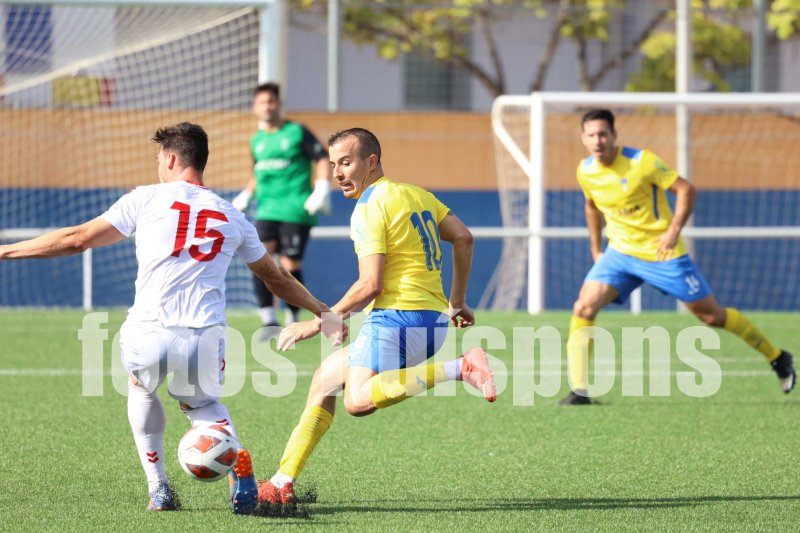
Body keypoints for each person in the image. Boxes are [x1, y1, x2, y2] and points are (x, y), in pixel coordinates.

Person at [0, 123, 340, 513]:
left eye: (159, 158)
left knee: (141, 388)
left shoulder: (145, 198)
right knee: (203, 405)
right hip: (205, 336)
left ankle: (159, 489)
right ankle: (236, 465)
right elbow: (275, 277)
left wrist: (6, 251)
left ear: (172, 158)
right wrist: (324, 311)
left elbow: (77, 239)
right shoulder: (231, 214)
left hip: (149, 330)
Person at [255, 128, 496, 505]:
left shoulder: (369, 206)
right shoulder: (416, 194)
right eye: (333, 165)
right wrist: (457, 301)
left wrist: (318, 321)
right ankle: (281, 482)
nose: (337, 173)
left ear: (371, 162)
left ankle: (461, 367)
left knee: (357, 401)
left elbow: (370, 284)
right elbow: (463, 238)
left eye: (346, 162)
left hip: (397, 321)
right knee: (325, 380)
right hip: (432, 324)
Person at [561, 108, 795, 405]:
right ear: (583, 138)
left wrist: (673, 231)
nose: (598, 141)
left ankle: (777, 356)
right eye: (592, 135)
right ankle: (579, 391)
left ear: (614, 135)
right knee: (583, 307)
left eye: (603, 134)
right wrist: (596, 248)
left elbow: (686, 190)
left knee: (711, 316)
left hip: (662, 254)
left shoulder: (642, 162)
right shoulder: (585, 170)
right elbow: (591, 207)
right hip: (620, 253)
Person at [232, 82, 333, 333]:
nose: (267, 106)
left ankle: (293, 314)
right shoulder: (256, 140)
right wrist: (247, 193)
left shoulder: (297, 132)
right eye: (262, 102)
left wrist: (322, 187)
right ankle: (268, 318)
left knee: (289, 265)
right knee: (259, 260)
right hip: (266, 210)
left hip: (295, 210)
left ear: (278, 104)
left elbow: (322, 158)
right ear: (255, 107)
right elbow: (258, 171)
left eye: (271, 101)